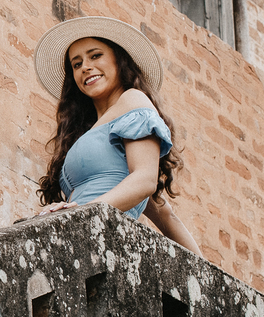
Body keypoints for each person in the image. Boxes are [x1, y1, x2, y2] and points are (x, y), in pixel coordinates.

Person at [32, 16, 200, 252]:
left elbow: (144, 180)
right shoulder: (89, 132)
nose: (85, 67)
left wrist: (83, 211)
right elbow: (162, 211)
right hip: (78, 234)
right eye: (76, 64)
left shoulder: (133, 100)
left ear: (119, 60)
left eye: (95, 55)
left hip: (101, 237)